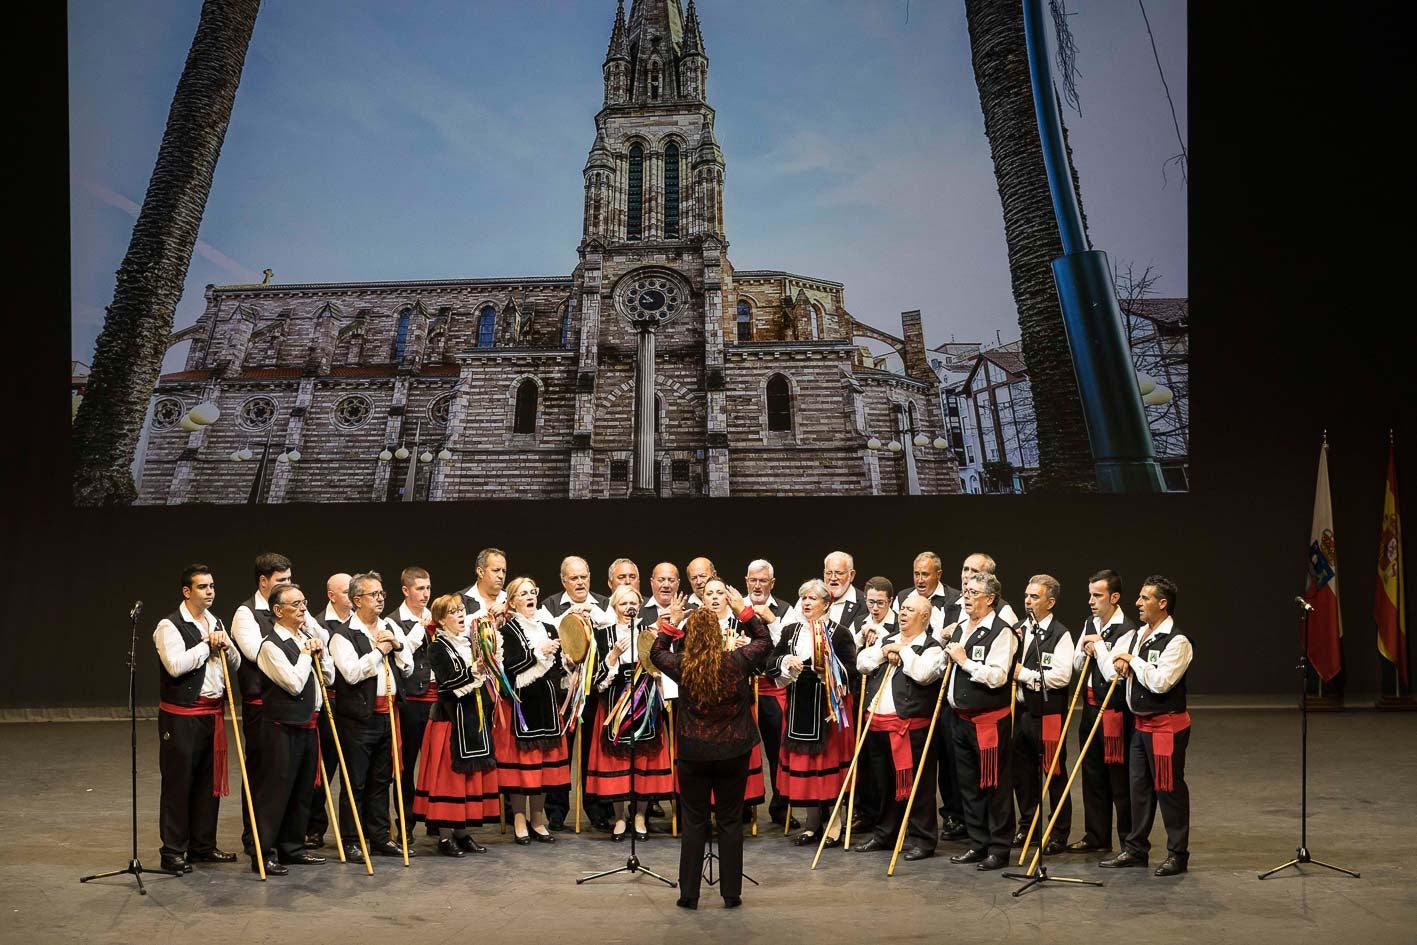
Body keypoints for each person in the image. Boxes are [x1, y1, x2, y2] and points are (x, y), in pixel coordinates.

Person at [651, 587, 772, 910]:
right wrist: (743, 610)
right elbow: (764, 641)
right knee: (731, 821)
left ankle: (688, 894)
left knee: (694, 822)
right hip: (733, 751)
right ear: (718, 636)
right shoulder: (737, 661)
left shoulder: (682, 665)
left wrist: (672, 622)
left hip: (694, 752)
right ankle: (731, 893)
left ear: (689, 638)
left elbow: (656, 652)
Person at [1096, 576, 1193, 877]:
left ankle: (1178, 854)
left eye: (1145, 598)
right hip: (1140, 726)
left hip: (1166, 727)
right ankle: (1136, 849)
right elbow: (1127, 669)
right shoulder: (1140, 635)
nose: (1137, 603)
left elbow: (1161, 683)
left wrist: (1133, 661)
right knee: (1138, 789)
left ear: (1162, 604)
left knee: (1169, 790)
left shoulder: (1178, 642)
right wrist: (1125, 664)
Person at [153, 564, 239, 874]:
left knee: (207, 782)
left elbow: (235, 663)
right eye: (203, 587)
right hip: (182, 717)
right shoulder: (170, 626)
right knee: (178, 784)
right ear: (187, 591)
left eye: (212, 586)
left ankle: (202, 845)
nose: (210, 591)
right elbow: (175, 666)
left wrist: (226, 647)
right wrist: (206, 645)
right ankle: (173, 850)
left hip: (211, 714)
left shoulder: (215, 621)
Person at [328, 571, 415, 860]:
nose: (380, 599)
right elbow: (352, 674)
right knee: (355, 781)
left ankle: (379, 836)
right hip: (358, 719)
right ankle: (353, 838)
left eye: (381, 594)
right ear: (356, 600)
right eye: (373, 595)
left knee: (382, 780)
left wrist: (397, 646)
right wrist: (380, 650)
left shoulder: (389, 625)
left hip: (387, 713)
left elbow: (408, 667)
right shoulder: (342, 635)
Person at [853, 591, 946, 860]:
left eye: (910, 610)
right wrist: (885, 651)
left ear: (925, 617)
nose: (903, 613)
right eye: (902, 608)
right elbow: (862, 662)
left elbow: (924, 673)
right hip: (878, 725)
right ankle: (885, 834)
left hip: (911, 728)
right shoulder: (888, 638)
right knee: (884, 786)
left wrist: (903, 652)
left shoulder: (931, 647)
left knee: (919, 786)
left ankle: (923, 839)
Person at [250, 583, 334, 875]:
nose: (302, 609)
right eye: (295, 604)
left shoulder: (306, 637)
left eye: (303, 602)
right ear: (277, 611)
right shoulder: (271, 646)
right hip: (280, 728)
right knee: (275, 791)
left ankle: (293, 847)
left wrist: (321, 656)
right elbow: (293, 683)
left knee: (302, 790)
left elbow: (329, 677)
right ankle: (265, 852)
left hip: (308, 724)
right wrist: (304, 654)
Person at [934, 552, 1017, 842]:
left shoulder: (1001, 632)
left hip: (988, 723)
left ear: (991, 598)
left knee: (994, 786)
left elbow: (998, 677)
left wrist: (965, 661)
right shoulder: (960, 628)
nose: (966, 597)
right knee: (967, 785)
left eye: (974, 593)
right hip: (960, 720)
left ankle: (999, 845)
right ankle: (978, 842)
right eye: (966, 591)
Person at [581, 585, 676, 840]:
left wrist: (657, 675)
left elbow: (663, 667)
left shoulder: (649, 635)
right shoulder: (603, 636)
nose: (628, 608)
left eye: (632, 603)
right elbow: (595, 681)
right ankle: (620, 818)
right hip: (615, 705)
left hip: (645, 706)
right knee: (619, 762)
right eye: (623, 604)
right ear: (614, 607)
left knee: (643, 761)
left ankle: (640, 816)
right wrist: (612, 656)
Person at [770, 578, 858, 848]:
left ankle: (834, 824)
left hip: (829, 710)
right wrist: (785, 662)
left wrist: (829, 671)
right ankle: (811, 823)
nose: (806, 603)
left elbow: (852, 672)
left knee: (827, 765)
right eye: (803, 598)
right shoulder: (790, 632)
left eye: (812, 599)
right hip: (799, 706)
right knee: (807, 764)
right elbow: (770, 662)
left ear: (826, 603)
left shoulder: (840, 633)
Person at [412, 594, 499, 857]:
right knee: (448, 780)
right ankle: (445, 836)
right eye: (453, 612)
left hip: (472, 716)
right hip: (449, 721)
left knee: (467, 778)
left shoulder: (469, 643)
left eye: (461, 610)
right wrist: (475, 670)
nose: (461, 615)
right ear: (440, 620)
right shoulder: (437, 647)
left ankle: (462, 832)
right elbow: (448, 682)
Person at [536, 556, 611, 831]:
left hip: (595, 689)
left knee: (594, 750)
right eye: (573, 578)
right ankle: (556, 811)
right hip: (564, 691)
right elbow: (547, 643)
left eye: (583, 577)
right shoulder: (549, 607)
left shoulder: (604, 604)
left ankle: (597, 809)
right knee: (561, 751)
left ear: (590, 576)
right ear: (563, 580)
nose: (579, 582)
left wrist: (596, 617)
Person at [496, 576, 572, 844]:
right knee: (522, 769)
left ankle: (538, 818)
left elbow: (558, 670)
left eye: (533, 592)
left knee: (544, 768)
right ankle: (519, 818)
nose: (530, 597)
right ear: (513, 601)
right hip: (523, 707)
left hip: (547, 706)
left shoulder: (550, 628)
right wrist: (538, 652)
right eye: (523, 593)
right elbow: (511, 670)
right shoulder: (507, 632)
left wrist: (568, 663)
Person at [1070, 569, 1138, 854]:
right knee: (1093, 775)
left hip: (1114, 714)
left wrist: (1097, 648)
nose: (1091, 601)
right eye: (1090, 594)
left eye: (1097, 595)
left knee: (1118, 780)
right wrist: (1087, 649)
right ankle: (1096, 836)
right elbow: (1076, 663)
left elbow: (1113, 674)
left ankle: (1128, 841)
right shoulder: (1090, 622)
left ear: (1114, 597)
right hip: (1089, 709)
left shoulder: (1128, 630)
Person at [1010, 575, 1075, 855]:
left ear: (1050, 602)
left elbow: (1061, 676)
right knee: (1022, 775)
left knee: (1054, 773)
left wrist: (1024, 674)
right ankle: (1028, 826)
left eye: (1034, 597)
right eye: (1026, 595)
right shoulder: (1017, 630)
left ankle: (1058, 832)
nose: (1027, 601)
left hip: (1047, 715)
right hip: (1020, 712)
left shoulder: (1061, 634)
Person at [698, 578, 768, 820]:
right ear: (703, 597)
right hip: (704, 708)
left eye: (720, 592)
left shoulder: (741, 626)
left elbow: (763, 660)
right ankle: (705, 809)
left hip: (735, 705)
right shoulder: (694, 626)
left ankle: (738, 808)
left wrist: (746, 649)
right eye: (709, 593)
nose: (715, 597)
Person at [744, 558, 794, 827]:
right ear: (746, 581)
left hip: (772, 688)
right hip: (743, 690)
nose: (758, 585)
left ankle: (781, 807)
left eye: (763, 580)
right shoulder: (736, 606)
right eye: (753, 580)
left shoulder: (785, 610)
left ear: (772, 583)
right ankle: (742, 807)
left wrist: (772, 621)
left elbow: (789, 644)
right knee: (743, 751)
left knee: (778, 751)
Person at [304, 573, 352, 848]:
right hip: (330, 702)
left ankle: (355, 830)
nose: (351, 596)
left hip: (357, 703)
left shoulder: (361, 623)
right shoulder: (317, 624)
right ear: (331, 595)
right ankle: (314, 827)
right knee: (323, 770)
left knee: (355, 771)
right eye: (346, 592)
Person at [849, 575, 898, 834]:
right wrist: (859, 638)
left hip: (885, 698)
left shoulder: (898, 625)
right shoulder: (860, 622)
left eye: (880, 602)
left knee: (883, 765)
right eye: (870, 602)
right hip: (861, 698)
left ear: (890, 601)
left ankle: (886, 816)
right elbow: (846, 655)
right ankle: (865, 813)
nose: (875, 608)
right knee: (864, 760)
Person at [391, 566, 436, 837]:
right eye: (420, 589)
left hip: (437, 698)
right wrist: (421, 629)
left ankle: (435, 819)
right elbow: (403, 652)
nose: (425, 594)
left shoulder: (436, 615)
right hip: (411, 701)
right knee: (406, 764)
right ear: (406, 590)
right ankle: (405, 824)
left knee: (436, 763)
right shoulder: (394, 621)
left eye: (428, 588)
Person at [461, 548, 508, 622]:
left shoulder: (512, 599)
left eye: (504, 571)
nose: (501, 576)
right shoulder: (461, 600)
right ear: (480, 572)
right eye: (496, 570)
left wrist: (508, 609)